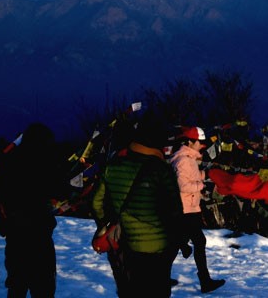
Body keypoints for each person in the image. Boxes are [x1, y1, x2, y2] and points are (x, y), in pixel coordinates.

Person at [93, 115, 183, 298]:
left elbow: (96, 202)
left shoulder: (113, 166)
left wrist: (107, 223)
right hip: (159, 248)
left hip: (125, 245)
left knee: (131, 291)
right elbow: (175, 210)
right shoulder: (161, 170)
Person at [0, 122, 62, 298]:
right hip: (40, 240)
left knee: (17, 287)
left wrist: (5, 227)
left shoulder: (9, 165)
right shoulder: (45, 167)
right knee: (43, 289)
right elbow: (57, 194)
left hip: (16, 239)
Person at [169, 125, 225, 293]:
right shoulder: (184, 160)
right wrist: (201, 184)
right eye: (199, 142)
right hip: (186, 209)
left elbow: (189, 177)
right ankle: (205, 281)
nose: (202, 145)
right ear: (190, 142)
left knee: (176, 244)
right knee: (198, 242)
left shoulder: (189, 159)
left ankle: (159, 276)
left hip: (189, 207)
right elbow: (183, 185)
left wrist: (205, 176)